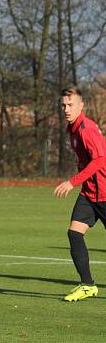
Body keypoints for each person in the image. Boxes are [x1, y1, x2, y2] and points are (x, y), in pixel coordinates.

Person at [53, 86, 106, 302]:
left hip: (104, 192)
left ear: (81, 105)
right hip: (89, 193)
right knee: (74, 233)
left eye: (70, 104)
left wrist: (72, 182)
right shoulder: (72, 128)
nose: (66, 109)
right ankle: (87, 285)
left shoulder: (86, 128)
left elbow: (100, 159)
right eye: (63, 105)